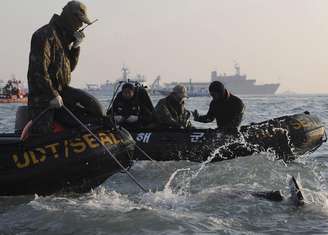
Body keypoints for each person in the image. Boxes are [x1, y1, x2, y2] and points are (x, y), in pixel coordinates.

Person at [27, 1, 105, 135]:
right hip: (43, 97)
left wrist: (75, 47)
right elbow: (38, 71)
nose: (80, 25)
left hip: (63, 92)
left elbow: (69, 70)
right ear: (71, 17)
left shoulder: (63, 39)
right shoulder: (45, 35)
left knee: (95, 107)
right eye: (79, 21)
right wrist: (53, 95)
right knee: (42, 134)